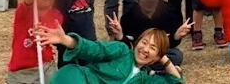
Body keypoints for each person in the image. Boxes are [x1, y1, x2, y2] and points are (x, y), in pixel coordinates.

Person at [36, 26, 183, 83]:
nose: (145, 49)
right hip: (79, 80)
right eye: (144, 42)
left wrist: (164, 59)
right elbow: (95, 49)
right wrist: (66, 40)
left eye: (152, 47)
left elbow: (176, 82)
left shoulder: (145, 79)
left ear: (157, 57)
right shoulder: (122, 50)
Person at [108, 0, 190, 70]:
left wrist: (176, 36)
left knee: (176, 55)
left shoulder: (169, 12)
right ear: (137, 0)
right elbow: (126, 46)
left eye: (153, 0)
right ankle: (157, 69)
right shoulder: (129, 16)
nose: (150, 4)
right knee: (119, 55)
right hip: (139, 53)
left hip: (157, 52)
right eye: (146, 0)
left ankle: (142, 68)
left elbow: (169, 45)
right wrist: (119, 35)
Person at [7, 0, 62, 84]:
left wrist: (44, 31)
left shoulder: (56, 15)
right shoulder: (23, 11)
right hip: (22, 70)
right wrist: (28, 1)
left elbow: (53, 31)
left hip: (46, 65)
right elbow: (25, 6)